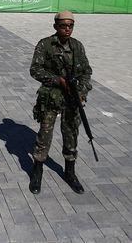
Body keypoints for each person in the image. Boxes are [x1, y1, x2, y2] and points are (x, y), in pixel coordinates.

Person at [29, 10, 92, 194]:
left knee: (71, 134)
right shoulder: (46, 45)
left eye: (70, 25)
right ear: (55, 26)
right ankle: (37, 171)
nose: (67, 29)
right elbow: (35, 69)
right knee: (44, 134)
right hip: (51, 97)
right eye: (63, 25)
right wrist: (58, 81)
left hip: (72, 101)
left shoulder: (77, 47)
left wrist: (81, 91)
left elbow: (87, 71)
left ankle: (70, 172)